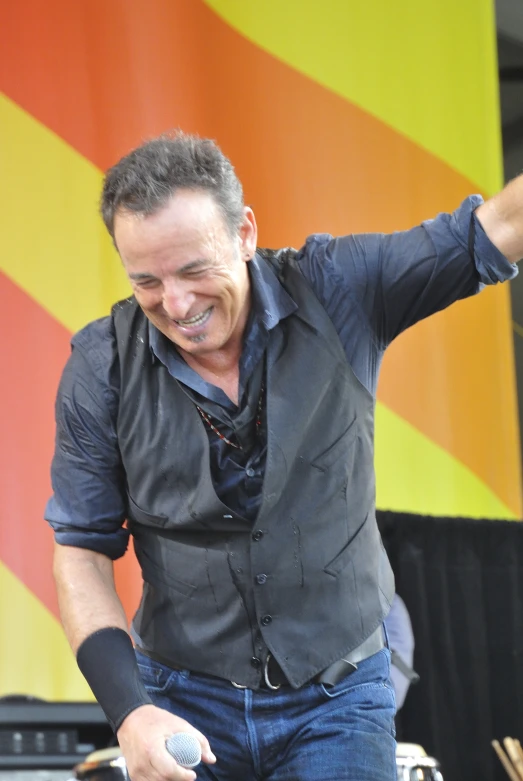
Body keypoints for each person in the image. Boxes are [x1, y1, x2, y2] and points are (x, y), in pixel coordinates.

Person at [45, 131, 521, 781]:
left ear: (244, 232)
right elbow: (80, 549)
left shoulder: (341, 289)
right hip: (180, 699)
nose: (176, 305)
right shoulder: (100, 365)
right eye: (146, 281)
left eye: (192, 269)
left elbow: (496, 225)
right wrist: (130, 712)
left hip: (338, 693)